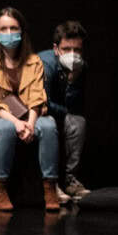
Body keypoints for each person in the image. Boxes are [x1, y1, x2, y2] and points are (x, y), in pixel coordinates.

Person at [0, 8, 60, 212]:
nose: (9, 32)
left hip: (28, 115)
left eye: (13, 28)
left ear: (21, 31)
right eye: (3, 28)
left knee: (48, 125)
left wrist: (30, 124)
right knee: (5, 128)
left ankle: (50, 187)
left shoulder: (34, 62)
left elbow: (37, 98)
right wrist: (16, 123)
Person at [39, 20, 89, 201]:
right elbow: (42, 102)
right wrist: (64, 112)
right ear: (56, 49)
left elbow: (77, 106)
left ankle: (70, 180)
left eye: (78, 50)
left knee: (79, 122)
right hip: (39, 113)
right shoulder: (45, 65)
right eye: (67, 49)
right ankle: (51, 184)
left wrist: (72, 80)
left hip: (61, 112)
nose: (73, 54)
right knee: (50, 123)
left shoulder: (81, 67)